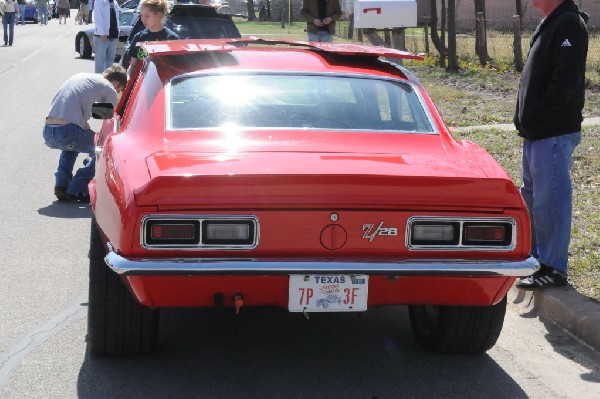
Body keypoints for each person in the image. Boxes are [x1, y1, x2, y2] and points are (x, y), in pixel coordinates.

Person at [514, 0, 589, 289]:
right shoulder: (550, 23)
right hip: (535, 131)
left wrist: (539, 115)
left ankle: (553, 267)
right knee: (534, 197)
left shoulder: (569, 22)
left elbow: (565, 82)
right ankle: (536, 261)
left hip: (553, 132)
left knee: (552, 198)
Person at [43, 65, 127, 202]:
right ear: (116, 83)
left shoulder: (84, 78)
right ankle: (76, 187)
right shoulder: (109, 87)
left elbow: (81, 123)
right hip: (68, 130)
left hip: (49, 130)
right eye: (119, 90)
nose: (117, 93)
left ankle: (61, 185)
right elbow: (110, 123)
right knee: (103, 151)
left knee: (72, 145)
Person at [125, 0, 178, 76]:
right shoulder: (139, 37)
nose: (143, 19)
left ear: (159, 15)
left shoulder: (171, 38)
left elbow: (176, 67)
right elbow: (133, 65)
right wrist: (129, 78)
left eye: (147, 16)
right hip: (143, 83)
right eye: (141, 16)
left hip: (163, 83)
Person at [93, 0, 120, 73]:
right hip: (102, 37)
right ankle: (99, 82)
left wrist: (118, 31)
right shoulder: (99, 1)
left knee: (110, 63)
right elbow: (98, 17)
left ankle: (108, 81)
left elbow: (117, 18)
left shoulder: (114, 2)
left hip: (113, 35)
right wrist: (102, 33)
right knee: (100, 63)